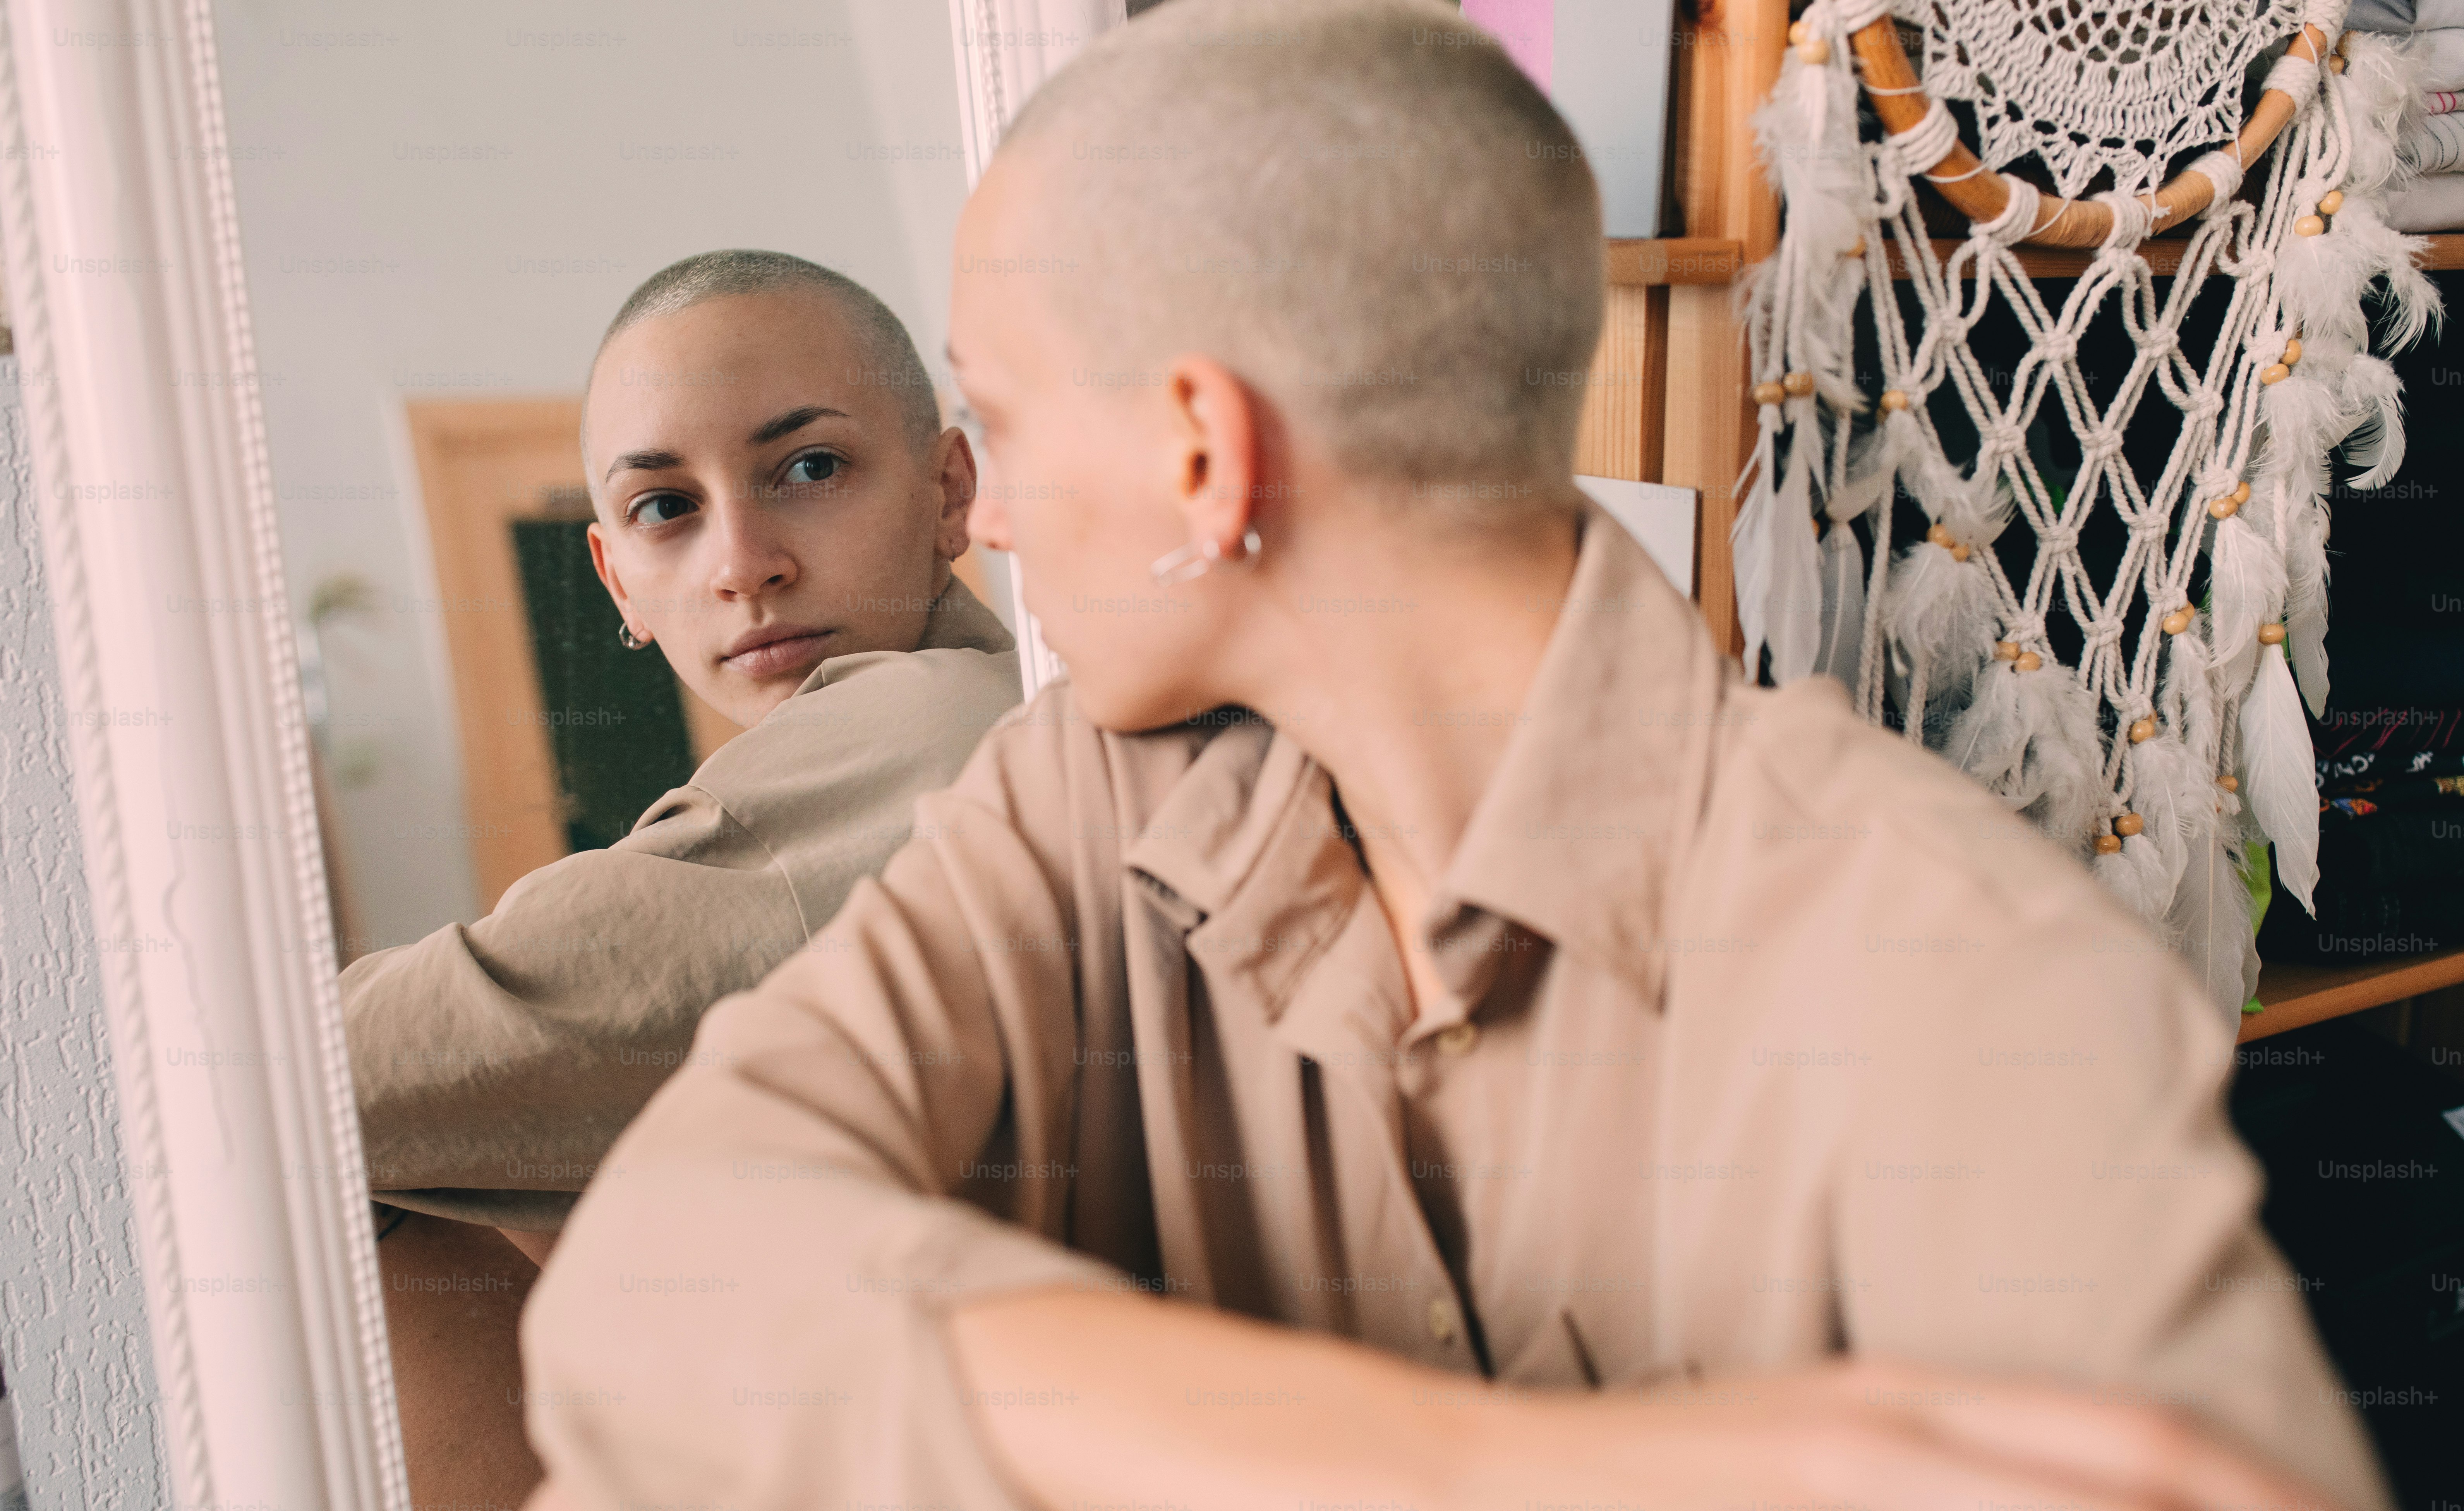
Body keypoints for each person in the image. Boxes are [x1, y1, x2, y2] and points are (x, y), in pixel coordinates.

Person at [516, 7, 2390, 1511]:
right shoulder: (1072, 797)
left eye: (994, 415)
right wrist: (1519, 1466)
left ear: (1201, 455)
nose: (983, 509)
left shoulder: (1938, 950)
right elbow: (656, 1287)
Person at [347, 250, 1020, 1506]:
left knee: (334, 1189)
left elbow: (348, 1072)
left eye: (808, 469)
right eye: (667, 508)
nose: (743, 561)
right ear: (617, 583)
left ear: (949, 489)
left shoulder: (931, 728)